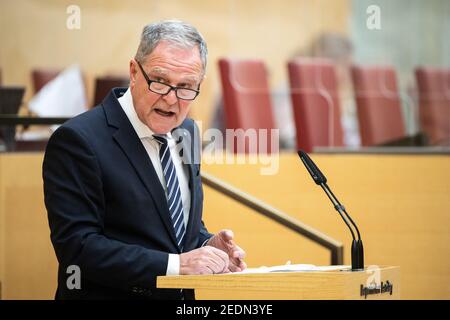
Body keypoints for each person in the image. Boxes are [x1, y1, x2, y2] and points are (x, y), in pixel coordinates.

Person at [43, 20, 246, 300]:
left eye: (186, 86)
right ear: (134, 72)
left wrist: (207, 244)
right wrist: (176, 265)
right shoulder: (78, 140)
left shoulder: (187, 131)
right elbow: (77, 248)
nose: (172, 100)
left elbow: (170, 223)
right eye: (160, 81)